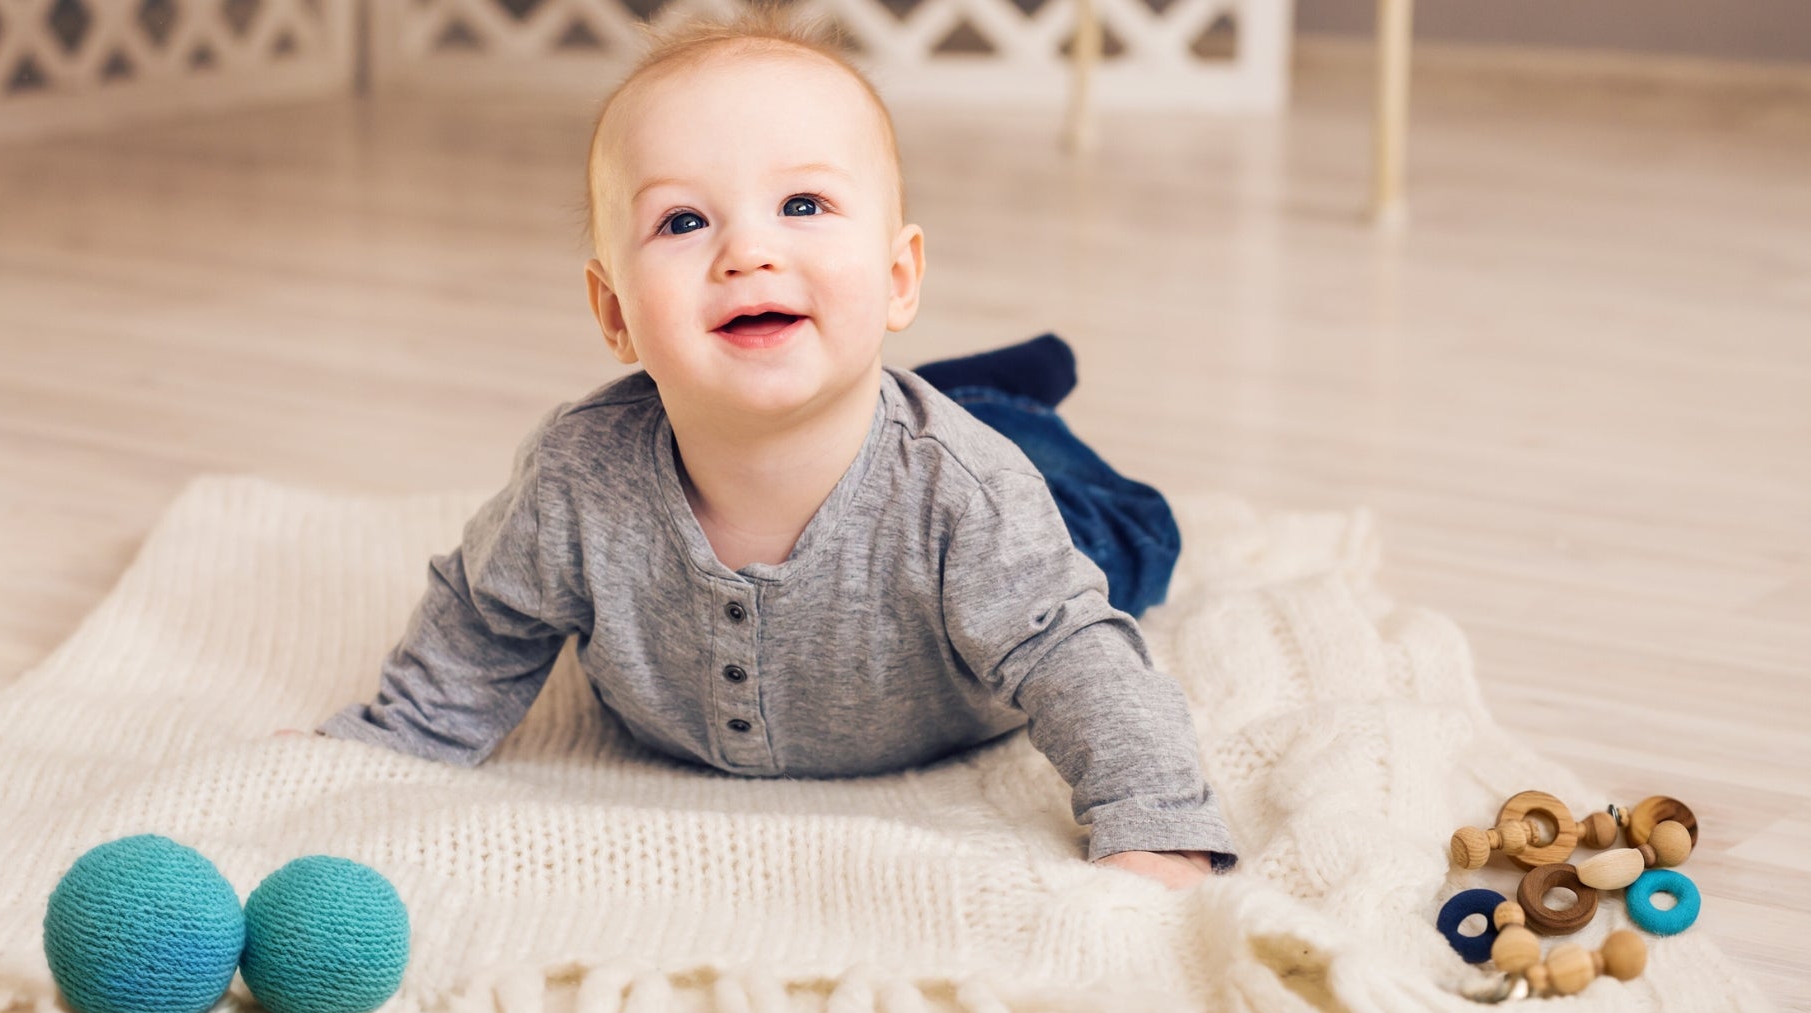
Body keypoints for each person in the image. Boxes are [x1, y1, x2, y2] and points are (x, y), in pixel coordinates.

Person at [312, 3, 1233, 891]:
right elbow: (488, 614)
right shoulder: (577, 478)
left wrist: (1152, 821)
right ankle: (978, 388)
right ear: (614, 312)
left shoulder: (969, 497)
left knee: (1128, 535)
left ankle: (1004, 401)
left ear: (897, 277)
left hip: (1030, 506)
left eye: (802, 203)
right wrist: (401, 738)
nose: (747, 251)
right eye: (683, 221)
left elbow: (1074, 653)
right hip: (902, 425)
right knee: (949, 414)